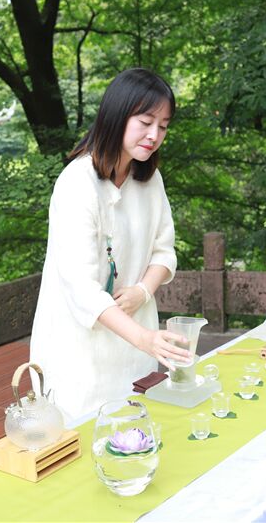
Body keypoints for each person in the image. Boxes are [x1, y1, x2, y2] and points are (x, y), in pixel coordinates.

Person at [29, 68, 191, 422]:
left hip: (136, 347)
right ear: (117, 115)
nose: (154, 135)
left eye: (163, 126)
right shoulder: (77, 184)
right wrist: (145, 338)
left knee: (138, 432)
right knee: (84, 438)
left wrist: (142, 293)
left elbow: (164, 252)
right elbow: (82, 289)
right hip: (80, 353)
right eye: (145, 122)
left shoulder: (149, 179)